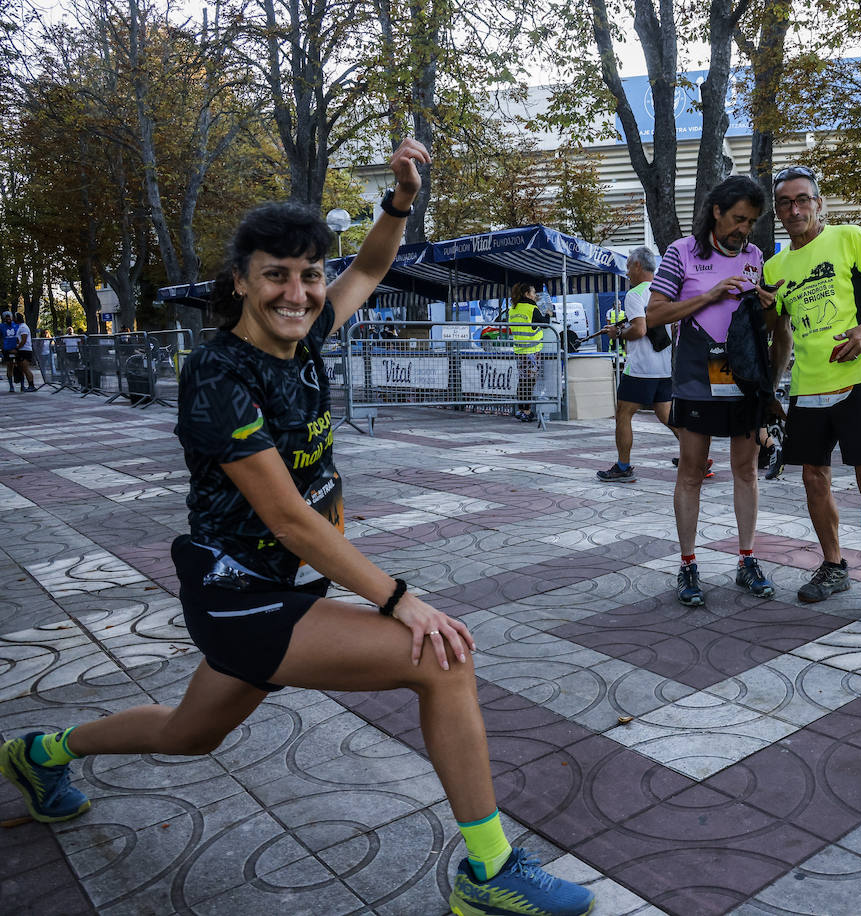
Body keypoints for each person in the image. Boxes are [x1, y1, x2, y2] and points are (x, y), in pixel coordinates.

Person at [0, 139, 597, 916]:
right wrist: (399, 598)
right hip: (240, 595)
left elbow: (374, 268)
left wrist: (400, 201)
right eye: (277, 275)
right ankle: (487, 874)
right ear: (242, 282)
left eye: (310, 275)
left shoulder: (309, 334)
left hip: (280, 589)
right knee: (440, 659)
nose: (298, 291)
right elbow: (286, 517)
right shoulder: (218, 373)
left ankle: (38, 754)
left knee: (189, 734)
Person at [764, 165, 861, 623]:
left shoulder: (849, 238)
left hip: (860, 379)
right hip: (807, 388)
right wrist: (771, 384)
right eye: (785, 203)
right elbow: (781, 334)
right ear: (778, 212)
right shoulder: (775, 267)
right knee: (813, 479)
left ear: (818, 203)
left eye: (803, 199)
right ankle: (833, 566)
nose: (795, 209)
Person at [647, 175, 777, 606]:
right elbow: (654, 316)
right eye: (738, 218)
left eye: (752, 222)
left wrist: (768, 308)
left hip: (739, 376)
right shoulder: (680, 252)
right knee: (691, 471)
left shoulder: (757, 256)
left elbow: (768, 325)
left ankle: (747, 560)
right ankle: (687, 565)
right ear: (716, 211)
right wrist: (712, 295)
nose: (744, 229)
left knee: (746, 469)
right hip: (696, 376)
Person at [597, 247, 675, 483]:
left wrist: (617, 333)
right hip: (665, 367)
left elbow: (640, 330)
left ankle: (623, 466)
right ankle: (698, 458)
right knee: (665, 414)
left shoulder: (634, 295)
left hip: (641, 368)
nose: (628, 272)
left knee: (623, 414)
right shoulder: (665, 293)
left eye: (629, 266)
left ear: (639, 266)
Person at [507, 281, 549, 422]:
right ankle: (527, 410)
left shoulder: (513, 308)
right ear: (527, 294)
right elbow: (545, 324)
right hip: (532, 351)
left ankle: (520, 409)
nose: (535, 295)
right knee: (530, 381)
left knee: (522, 380)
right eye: (533, 293)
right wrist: (548, 313)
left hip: (519, 350)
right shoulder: (531, 308)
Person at [12, 311, 36, 391]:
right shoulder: (20, 327)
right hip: (22, 350)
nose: (13, 319)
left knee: (26, 368)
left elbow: (24, 340)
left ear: (17, 319)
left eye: (14, 317)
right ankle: (24, 386)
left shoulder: (23, 328)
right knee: (21, 368)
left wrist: (17, 348)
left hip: (25, 350)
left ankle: (32, 385)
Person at [1, 311, 17, 392]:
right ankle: (11, 385)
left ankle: (22, 384)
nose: (8, 319)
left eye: (9, 318)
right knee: (9, 366)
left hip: (16, 348)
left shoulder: (16, 325)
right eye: (6, 318)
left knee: (20, 366)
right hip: (7, 349)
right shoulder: (2, 326)